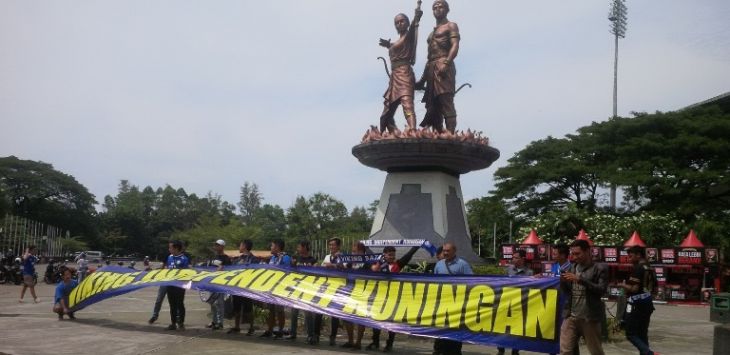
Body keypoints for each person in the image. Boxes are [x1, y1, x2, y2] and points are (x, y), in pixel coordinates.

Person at [416, 0, 460, 134]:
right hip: (431, 67)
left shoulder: (451, 25)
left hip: (444, 64)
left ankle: (450, 134)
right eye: (435, 7)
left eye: (441, 7)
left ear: (447, 10)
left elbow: (455, 45)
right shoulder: (431, 33)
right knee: (433, 105)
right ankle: (438, 133)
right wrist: (422, 80)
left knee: (445, 100)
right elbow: (429, 58)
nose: (438, 9)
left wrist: (446, 63)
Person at [378, 4, 423, 134]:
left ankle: (413, 130)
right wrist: (389, 45)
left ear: (408, 23)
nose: (399, 24)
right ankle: (392, 132)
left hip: (405, 74)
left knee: (407, 104)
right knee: (387, 111)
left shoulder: (409, 36)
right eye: (397, 23)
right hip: (394, 78)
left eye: (402, 21)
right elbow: (397, 46)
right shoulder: (398, 41)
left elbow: (415, 22)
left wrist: (416, 15)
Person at [559, 239, 608, 355]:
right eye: (573, 254)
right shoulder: (570, 268)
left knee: (596, 351)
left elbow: (601, 290)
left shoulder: (600, 268)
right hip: (571, 316)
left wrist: (580, 280)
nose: (574, 257)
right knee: (565, 350)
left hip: (589, 318)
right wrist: (562, 282)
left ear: (587, 251)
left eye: (577, 254)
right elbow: (567, 291)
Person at [367, 245, 419, 352]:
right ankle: (375, 342)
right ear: (384, 255)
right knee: (376, 320)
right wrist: (364, 245)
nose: (391, 257)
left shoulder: (398, 264)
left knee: (391, 322)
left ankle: (389, 344)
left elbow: (408, 255)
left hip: (393, 298)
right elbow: (369, 254)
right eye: (389, 255)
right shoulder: (377, 264)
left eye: (393, 255)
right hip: (380, 297)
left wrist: (417, 245)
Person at [433, 242, 472, 355]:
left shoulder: (463, 265)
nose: (445, 253)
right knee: (440, 329)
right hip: (442, 303)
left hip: (457, 305)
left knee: (455, 331)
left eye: (448, 251)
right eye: (444, 251)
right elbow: (434, 282)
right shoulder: (439, 264)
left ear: (454, 251)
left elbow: (472, 282)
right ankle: (438, 350)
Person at [622, 246, 657, 355]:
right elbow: (655, 289)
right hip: (648, 303)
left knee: (630, 333)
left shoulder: (638, 268)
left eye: (631, 256)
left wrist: (622, 285)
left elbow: (634, 288)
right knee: (642, 333)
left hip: (636, 304)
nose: (629, 258)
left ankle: (648, 353)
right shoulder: (650, 268)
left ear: (638, 255)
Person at [498, 249, 534, 355]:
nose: (513, 259)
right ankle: (501, 350)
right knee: (501, 328)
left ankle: (515, 350)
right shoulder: (508, 270)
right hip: (506, 303)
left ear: (523, 259)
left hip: (520, 305)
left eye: (516, 257)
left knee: (517, 329)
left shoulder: (529, 272)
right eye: (513, 257)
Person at [287, 240, 318, 342]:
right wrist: (292, 264)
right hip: (296, 288)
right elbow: (290, 270)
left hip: (308, 289)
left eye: (299, 247)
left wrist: (315, 267)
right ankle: (293, 333)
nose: (297, 249)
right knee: (294, 312)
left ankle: (310, 335)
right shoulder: (295, 258)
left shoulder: (313, 260)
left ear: (305, 247)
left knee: (308, 313)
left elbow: (317, 273)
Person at [260, 239, 292, 339]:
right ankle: (270, 330)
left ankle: (280, 330)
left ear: (277, 247)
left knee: (279, 310)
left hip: (280, 288)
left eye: (272, 246)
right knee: (270, 310)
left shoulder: (286, 258)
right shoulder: (273, 257)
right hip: (271, 287)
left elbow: (287, 271)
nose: (270, 247)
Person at [340, 242, 369, 350]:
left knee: (360, 318)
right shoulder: (350, 263)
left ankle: (358, 342)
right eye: (352, 251)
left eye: (355, 251)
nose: (352, 253)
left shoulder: (367, 263)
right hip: (350, 292)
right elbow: (343, 270)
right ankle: (350, 340)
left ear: (361, 252)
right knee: (347, 317)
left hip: (363, 294)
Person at [229, 239, 259, 335]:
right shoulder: (237, 259)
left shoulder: (253, 259)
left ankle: (251, 327)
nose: (239, 247)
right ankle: (237, 327)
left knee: (248, 309)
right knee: (236, 308)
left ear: (245, 246)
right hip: (237, 287)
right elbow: (231, 270)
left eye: (240, 245)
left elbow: (256, 272)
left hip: (247, 288)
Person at [322, 237, 344, 346]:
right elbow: (322, 267)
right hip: (326, 287)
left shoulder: (343, 257)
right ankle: (316, 334)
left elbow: (345, 269)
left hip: (338, 288)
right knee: (320, 310)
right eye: (330, 245)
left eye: (333, 245)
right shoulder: (327, 256)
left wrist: (333, 265)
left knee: (334, 314)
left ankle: (333, 336)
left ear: (338, 246)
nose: (331, 247)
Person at [165, 240, 190, 331]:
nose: (169, 249)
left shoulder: (184, 259)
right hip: (170, 284)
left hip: (179, 286)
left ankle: (181, 323)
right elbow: (167, 269)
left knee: (179, 303)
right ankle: (173, 323)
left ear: (176, 248)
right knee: (172, 304)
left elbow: (187, 273)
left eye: (170, 247)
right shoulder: (169, 257)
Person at [206, 239, 231, 330]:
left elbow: (229, 270)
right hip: (212, 282)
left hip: (220, 283)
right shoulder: (213, 257)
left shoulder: (226, 258)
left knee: (219, 303)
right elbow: (208, 267)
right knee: (212, 302)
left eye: (218, 245)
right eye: (215, 245)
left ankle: (220, 323)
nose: (216, 247)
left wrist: (222, 269)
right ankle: (214, 321)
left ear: (223, 247)